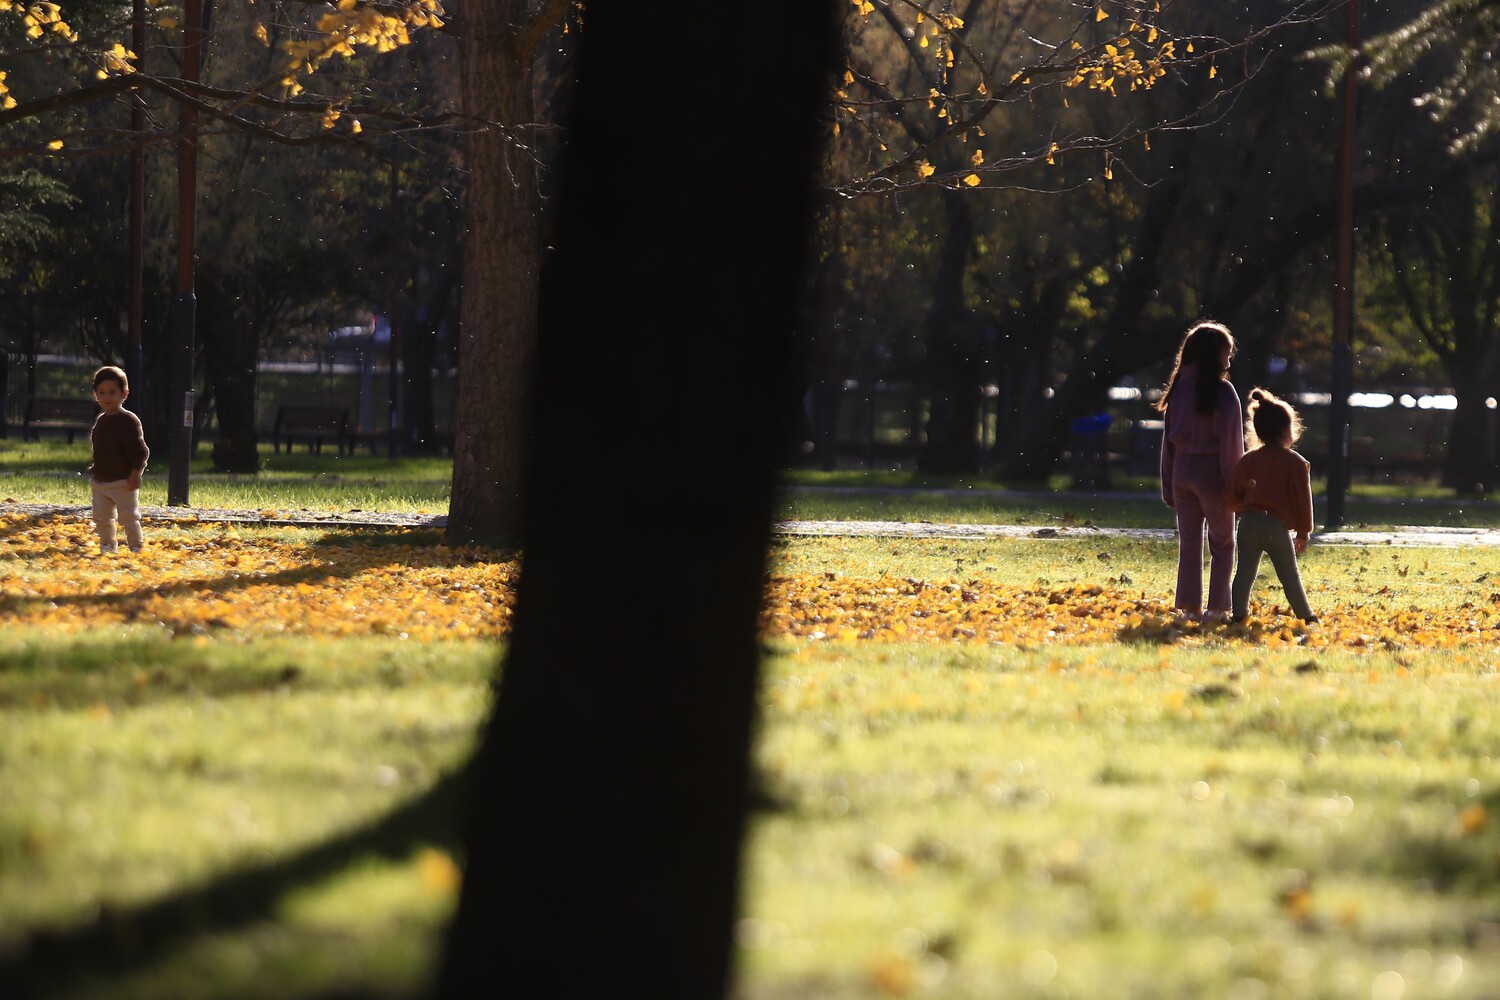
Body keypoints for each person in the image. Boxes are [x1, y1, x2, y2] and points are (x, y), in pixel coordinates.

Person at [1157, 320, 1244, 621]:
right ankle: (1218, 607)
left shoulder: (1178, 390)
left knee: (1190, 541)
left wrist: (1168, 485)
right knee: (1223, 542)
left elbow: (1168, 442)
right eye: (1228, 353)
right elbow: (1232, 446)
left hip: (1182, 470)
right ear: (1217, 355)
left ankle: (1189, 606)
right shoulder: (1224, 392)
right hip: (1212, 473)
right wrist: (1235, 487)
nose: (1229, 359)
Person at [1226, 387, 1317, 623]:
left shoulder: (1248, 460)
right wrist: (1304, 531)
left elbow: (1232, 493)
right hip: (1275, 526)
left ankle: (1238, 615)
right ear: (1288, 430)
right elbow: (1303, 500)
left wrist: (1241, 507)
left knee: (1244, 573)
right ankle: (1306, 616)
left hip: (1248, 523)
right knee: (1288, 574)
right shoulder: (1295, 463)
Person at [89, 365, 149, 554]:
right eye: (102, 392)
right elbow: (100, 450)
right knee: (101, 516)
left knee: (128, 516)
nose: (107, 397)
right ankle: (107, 545)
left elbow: (140, 451)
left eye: (112, 392)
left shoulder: (128, 421)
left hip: (123, 481)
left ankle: (136, 546)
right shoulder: (101, 421)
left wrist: (135, 472)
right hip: (101, 481)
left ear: (124, 393)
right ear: (96, 394)